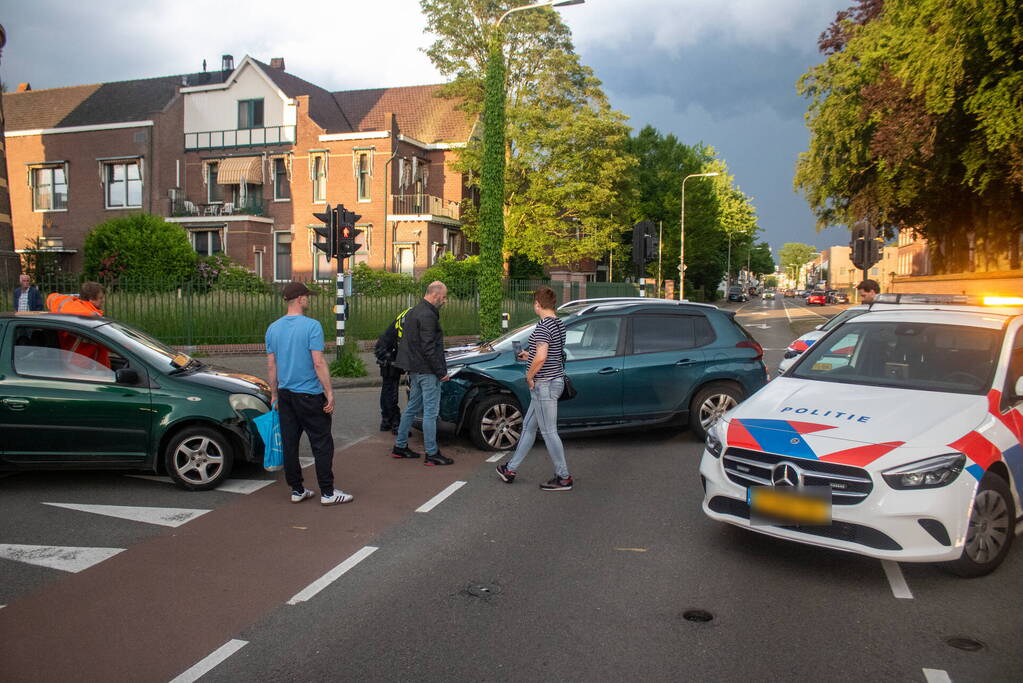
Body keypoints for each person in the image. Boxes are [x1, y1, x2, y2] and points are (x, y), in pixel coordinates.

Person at [266, 281, 352, 506]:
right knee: (322, 442)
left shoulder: (273, 328)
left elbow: (272, 366)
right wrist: (329, 392)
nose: (309, 300)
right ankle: (327, 492)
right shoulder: (312, 326)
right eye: (307, 296)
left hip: (285, 393)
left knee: (290, 443)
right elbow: (318, 362)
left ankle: (296, 489)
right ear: (300, 299)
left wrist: (274, 393)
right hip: (309, 394)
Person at [496, 285, 572, 491]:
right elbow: (551, 354)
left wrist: (529, 376)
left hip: (544, 384)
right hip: (553, 380)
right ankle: (509, 469)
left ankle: (563, 476)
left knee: (549, 432)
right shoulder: (559, 325)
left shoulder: (543, 327)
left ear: (538, 304)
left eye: (534, 303)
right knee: (530, 427)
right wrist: (527, 356)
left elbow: (542, 356)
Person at [390, 281, 453, 466]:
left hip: (414, 369)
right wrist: (441, 372)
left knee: (411, 408)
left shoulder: (413, 311)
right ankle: (432, 453)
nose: (444, 300)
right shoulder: (428, 315)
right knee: (430, 413)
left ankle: (400, 446)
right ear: (435, 295)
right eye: (444, 297)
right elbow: (428, 347)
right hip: (427, 371)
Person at [47, 282, 110, 368]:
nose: (103, 300)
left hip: (83, 365)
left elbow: (51, 298)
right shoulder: (87, 317)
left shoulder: (76, 308)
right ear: (91, 299)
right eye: (100, 298)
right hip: (83, 369)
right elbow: (111, 342)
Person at [374, 306, 412, 433]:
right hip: (388, 353)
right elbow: (403, 341)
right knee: (391, 389)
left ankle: (386, 421)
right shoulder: (409, 318)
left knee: (387, 387)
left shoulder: (407, 315)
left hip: (386, 349)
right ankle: (395, 423)